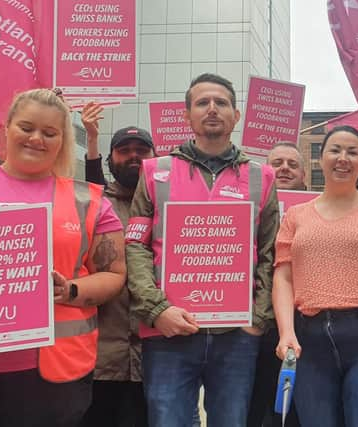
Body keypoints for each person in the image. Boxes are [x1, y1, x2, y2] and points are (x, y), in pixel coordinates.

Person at [126, 73, 280, 427]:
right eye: (202, 103)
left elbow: (271, 251)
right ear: (187, 115)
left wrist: (257, 317)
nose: (212, 109)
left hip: (237, 336)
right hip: (168, 331)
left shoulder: (262, 177)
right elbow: (135, 244)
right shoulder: (154, 171)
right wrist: (156, 310)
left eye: (221, 102)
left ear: (236, 115)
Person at [0, 88, 126, 427]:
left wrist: (71, 291)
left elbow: (113, 275)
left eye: (50, 133)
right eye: (26, 127)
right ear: (6, 127)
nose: (36, 138)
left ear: (62, 139)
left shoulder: (89, 200)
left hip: (55, 370)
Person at [273, 125, 358, 427]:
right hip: (308, 340)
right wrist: (286, 332)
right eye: (335, 150)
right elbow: (283, 277)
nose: (343, 158)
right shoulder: (296, 215)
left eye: (353, 152)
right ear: (321, 159)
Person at [80, 100, 155, 427]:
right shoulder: (91, 204)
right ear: (111, 159)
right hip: (100, 358)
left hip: (156, 359)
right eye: (125, 150)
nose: (134, 155)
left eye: (142, 149)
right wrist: (92, 137)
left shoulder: (170, 206)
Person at [248, 142, 305, 427]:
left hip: (300, 326)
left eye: (292, 164)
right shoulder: (246, 206)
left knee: (292, 412)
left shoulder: (316, 209)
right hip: (252, 323)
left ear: (304, 175)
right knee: (253, 408)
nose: (284, 168)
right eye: (277, 163)